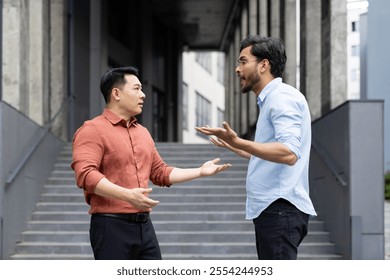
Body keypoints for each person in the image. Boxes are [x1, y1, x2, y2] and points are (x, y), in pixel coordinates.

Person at [71, 66, 231, 260]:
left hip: (145, 227)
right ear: (116, 93)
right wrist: (127, 195)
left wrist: (200, 171)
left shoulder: (142, 133)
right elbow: (86, 175)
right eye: (136, 89)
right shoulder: (92, 130)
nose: (143, 95)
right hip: (110, 226)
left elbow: (160, 172)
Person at [196, 35, 317, 260]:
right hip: (275, 209)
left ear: (263, 65)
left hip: (279, 208)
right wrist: (234, 146)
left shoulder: (281, 98)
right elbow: (267, 153)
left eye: (243, 61)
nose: (237, 69)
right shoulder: (272, 99)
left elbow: (289, 153)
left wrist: (240, 141)